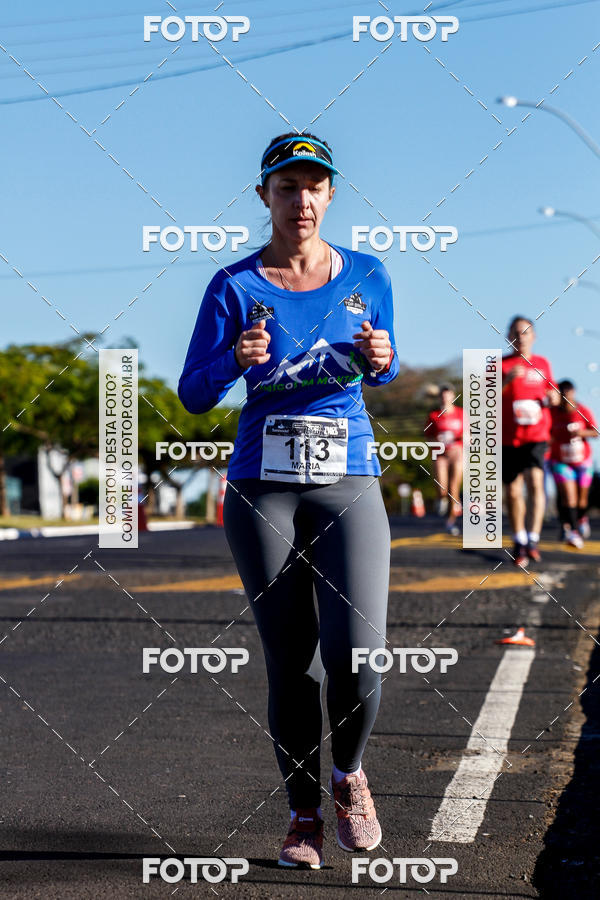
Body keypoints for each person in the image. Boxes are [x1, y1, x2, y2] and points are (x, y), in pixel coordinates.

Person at [178, 132, 399, 870]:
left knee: (358, 653)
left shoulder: (368, 274)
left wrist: (383, 360)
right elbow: (194, 392)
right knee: (294, 661)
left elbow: (383, 364)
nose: (301, 199)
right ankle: (303, 816)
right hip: (262, 488)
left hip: (348, 479)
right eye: (286, 186)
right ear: (264, 195)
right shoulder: (234, 285)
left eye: (313, 186)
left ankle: (349, 775)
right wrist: (231, 359)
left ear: (331, 194)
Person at [502, 317, 555, 566]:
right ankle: (519, 540)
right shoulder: (499, 365)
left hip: (536, 434)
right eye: (515, 332)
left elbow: (553, 393)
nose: (520, 337)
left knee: (535, 481)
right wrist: (506, 381)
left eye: (525, 332)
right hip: (508, 437)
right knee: (513, 491)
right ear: (508, 336)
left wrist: (553, 398)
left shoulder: (542, 363)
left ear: (533, 336)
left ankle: (533, 538)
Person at [549, 379, 598, 547]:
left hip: (583, 461)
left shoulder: (583, 410)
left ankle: (582, 517)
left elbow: (595, 432)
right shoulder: (552, 412)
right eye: (562, 395)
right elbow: (546, 432)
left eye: (568, 394)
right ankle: (574, 532)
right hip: (561, 462)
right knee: (569, 498)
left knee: (582, 500)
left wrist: (581, 432)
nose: (565, 398)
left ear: (573, 393)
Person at [425, 384, 463, 535]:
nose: (445, 397)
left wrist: (466, 438)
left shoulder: (461, 413)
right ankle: (440, 499)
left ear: (453, 396)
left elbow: (469, 433)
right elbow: (428, 437)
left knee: (453, 489)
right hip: (440, 454)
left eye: (448, 394)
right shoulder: (434, 415)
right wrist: (438, 440)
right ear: (439, 397)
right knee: (442, 488)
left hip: (457, 453)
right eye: (442, 395)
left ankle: (450, 522)